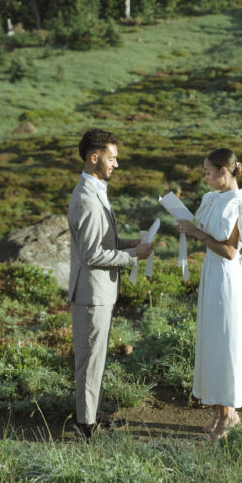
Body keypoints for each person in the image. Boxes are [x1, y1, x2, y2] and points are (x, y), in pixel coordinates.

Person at [68, 128, 152, 439]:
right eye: (111, 158)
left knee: (96, 357)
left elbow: (105, 241)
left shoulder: (96, 190)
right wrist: (132, 255)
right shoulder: (87, 198)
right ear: (94, 157)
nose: (116, 164)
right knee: (90, 360)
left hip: (100, 291)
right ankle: (86, 426)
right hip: (92, 292)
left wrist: (131, 243)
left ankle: (90, 416)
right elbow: (92, 254)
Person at [176, 148, 242, 440]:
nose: (204, 178)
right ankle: (222, 412)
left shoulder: (236, 203)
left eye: (207, 172)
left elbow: (229, 250)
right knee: (213, 339)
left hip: (226, 278)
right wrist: (189, 226)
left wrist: (197, 234)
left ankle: (227, 414)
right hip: (212, 275)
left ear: (224, 172)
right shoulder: (213, 199)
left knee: (225, 340)